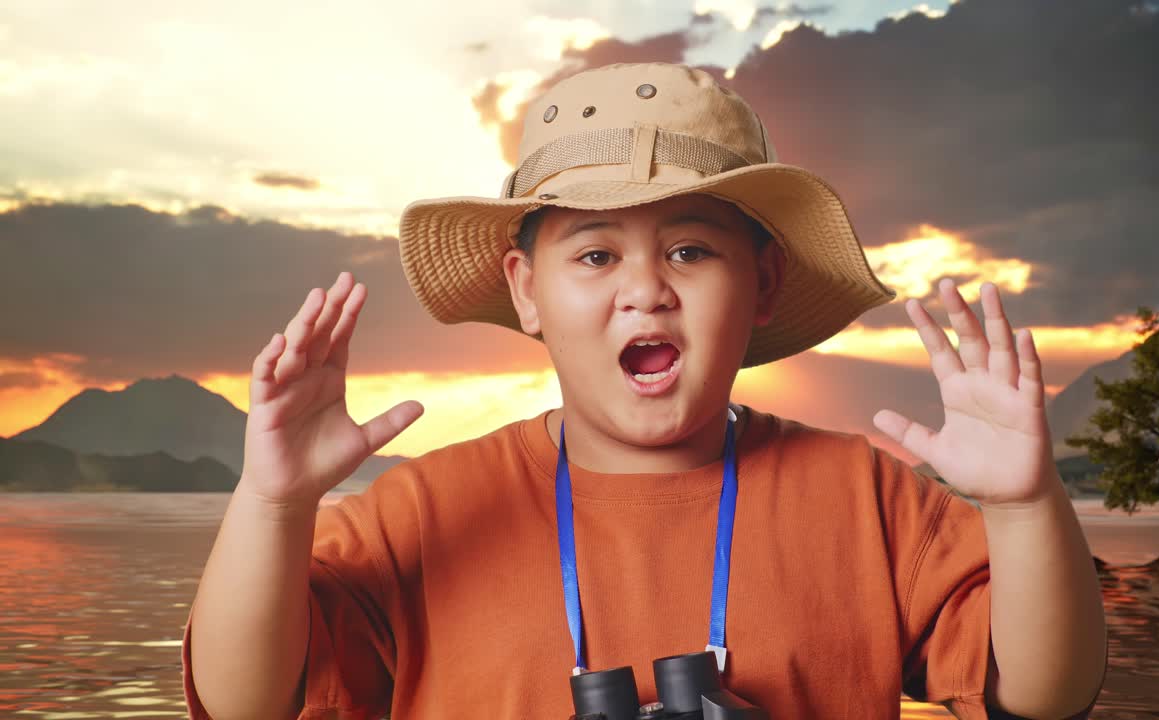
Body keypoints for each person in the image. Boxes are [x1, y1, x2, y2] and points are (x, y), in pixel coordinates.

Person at [181, 62, 1107, 720]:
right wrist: (273, 503)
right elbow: (245, 703)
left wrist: (1026, 507)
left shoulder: (866, 498)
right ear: (526, 290)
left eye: (690, 250)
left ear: (763, 284)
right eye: (594, 254)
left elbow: (1044, 694)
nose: (645, 289)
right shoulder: (421, 511)